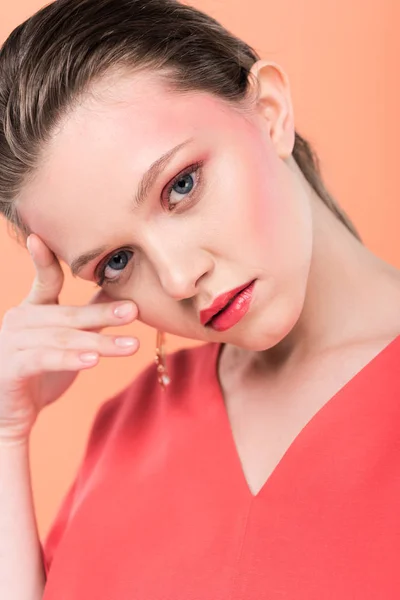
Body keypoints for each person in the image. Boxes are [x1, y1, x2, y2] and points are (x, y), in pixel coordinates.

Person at [0, 0, 399, 598]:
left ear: (268, 111)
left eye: (181, 186)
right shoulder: (126, 431)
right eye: (117, 262)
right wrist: (6, 433)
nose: (181, 278)